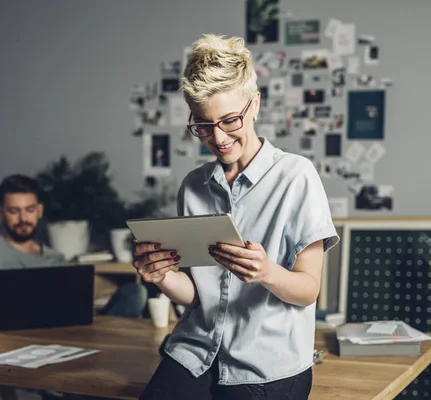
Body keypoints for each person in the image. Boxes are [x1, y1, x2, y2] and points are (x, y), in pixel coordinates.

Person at [132, 34, 339, 400]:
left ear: (254, 104)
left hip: (266, 361)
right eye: (203, 125)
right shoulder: (193, 186)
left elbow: (308, 290)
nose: (218, 137)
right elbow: (199, 297)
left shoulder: (296, 175)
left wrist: (266, 272)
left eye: (229, 120)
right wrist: (162, 276)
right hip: (195, 349)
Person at [0, 174, 147, 319]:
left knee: (134, 293)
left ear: (39, 211)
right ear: (2, 214)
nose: (23, 218)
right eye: (14, 211)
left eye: (29, 210)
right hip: (9, 334)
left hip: (63, 332)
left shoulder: (55, 258)